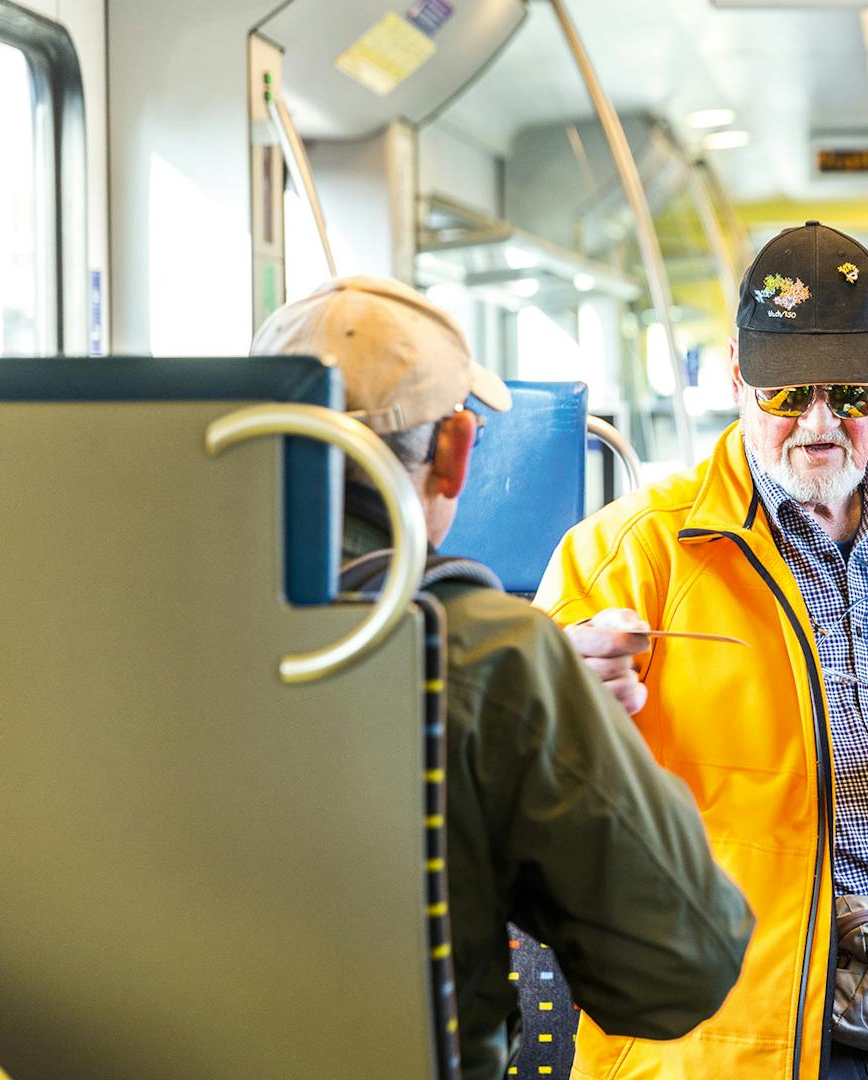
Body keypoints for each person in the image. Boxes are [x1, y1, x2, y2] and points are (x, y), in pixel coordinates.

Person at [532, 222, 868, 1080]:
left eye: (853, 394)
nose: (820, 424)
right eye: (786, 394)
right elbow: (527, 789)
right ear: (736, 378)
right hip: (732, 1031)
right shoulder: (632, 550)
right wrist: (560, 701)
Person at [250, 276, 754, 1080]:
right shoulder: (492, 655)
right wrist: (593, 737)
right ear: (456, 452)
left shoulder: (99, 611)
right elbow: (680, 968)